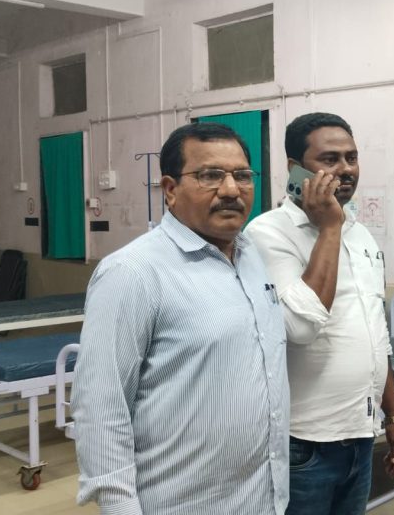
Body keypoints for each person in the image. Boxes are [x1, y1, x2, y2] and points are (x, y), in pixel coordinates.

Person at [72, 123, 289, 514]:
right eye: (210, 175)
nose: (231, 189)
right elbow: (101, 409)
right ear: (170, 190)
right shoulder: (132, 273)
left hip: (263, 499)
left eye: (242, 175)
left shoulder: (253, 256)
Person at [245, 112, 394, 515]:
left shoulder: (360, 233)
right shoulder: (267, 234)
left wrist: (393, 415)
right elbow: (301, 326)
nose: (346, 169)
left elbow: (375, 333)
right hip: (303, 444)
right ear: (295, 168)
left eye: (351, 157)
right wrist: (329, 228)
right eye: (330, 159)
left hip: (361, 434)